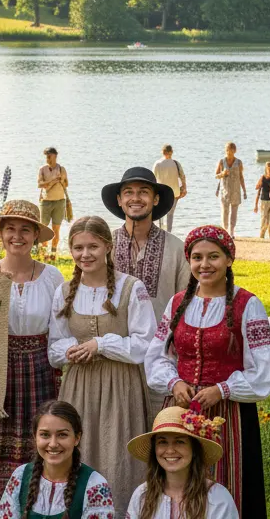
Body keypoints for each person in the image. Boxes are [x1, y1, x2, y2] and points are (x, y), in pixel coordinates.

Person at [145, 226, 270, 518]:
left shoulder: (247, 304)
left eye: (213, 256)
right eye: (197, 257)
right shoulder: (178, 302)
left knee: (228, 480)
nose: (204, 265)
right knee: (176, 477)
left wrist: (223, 389)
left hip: (229, 415)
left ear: (229, 259)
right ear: (189, 261)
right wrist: (174, 381)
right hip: (179, 407)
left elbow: (263, 370)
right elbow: (157, 355)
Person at [48, 215, 156, 513]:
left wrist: (102, 344)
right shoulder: (64, 291)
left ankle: (121, 511)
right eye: (78, 248)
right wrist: (70, 349)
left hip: (120, 385)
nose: (85, 254)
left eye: (93, 246)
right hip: (79, 386)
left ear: (108, 246)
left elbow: (145, 344)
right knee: (79, 452)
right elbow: (54, 346)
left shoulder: (132, 288)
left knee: (117, 453)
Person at [0, 200, 64, 518]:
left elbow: (60, 329)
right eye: (10, 228)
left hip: (40, 372)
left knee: (40, 450)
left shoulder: (51, 277)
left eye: (25, 229)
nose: (17, 236)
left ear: (36, 235)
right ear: (1, 234)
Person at [103, 167, 191, 418]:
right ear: (119, 200)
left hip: (162, 356)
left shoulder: (176, 248)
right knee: (119, 425)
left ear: (155, 199)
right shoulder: (104, 245)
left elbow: (186, 304)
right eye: (128, 192)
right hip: (115, 356)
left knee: (160, 426)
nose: (135, 198)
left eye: (143, 192)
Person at [0, 400, 116, 519]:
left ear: (77, 438)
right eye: (45, 434)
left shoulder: (95, 485)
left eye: (62, 435)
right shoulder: (20, 476)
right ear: (35, 437)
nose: (53, 444)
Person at [125, 406, 237, 519]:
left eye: (179, 441)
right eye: (162, 442)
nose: (170, 450)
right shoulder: (142, 495)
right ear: (154, 449)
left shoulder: (218, 498)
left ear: (194, 449)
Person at [38, 147, 69, 254]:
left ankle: (53, 253)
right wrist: (52, 180)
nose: (47, 159)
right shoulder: (42, 169)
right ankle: (43, 252)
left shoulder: (62, 169)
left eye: (49, 156)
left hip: (59, 202)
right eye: (46, 157)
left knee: (56, 229)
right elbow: (40, 184)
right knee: (43, 229)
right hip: (45, 202)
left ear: (55, 156)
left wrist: (62, 179)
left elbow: (66, 184)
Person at [152, 145, 187, 234]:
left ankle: (160, 231)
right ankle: (169, 233)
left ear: (162, 152)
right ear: (171, 152)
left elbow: (153, 179)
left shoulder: (157, 164)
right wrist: (184, 188)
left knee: (160, 213)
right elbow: (182, 176)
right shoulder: (176, 163)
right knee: (170, 214)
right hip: (174, 193)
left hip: (161, 192)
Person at [215, 142, 246, 238]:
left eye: (232, 150)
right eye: (228, 150)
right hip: (225, 190)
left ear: (235, 151)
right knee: (225, 211)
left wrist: (244, 190)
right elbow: (216, 176)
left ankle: (232, 231)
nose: (229, 152)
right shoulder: (221, 161)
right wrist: (223, 174)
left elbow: (241, 177)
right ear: (226, 150)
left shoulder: (239, 162)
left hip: (236, 190)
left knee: (234, 212)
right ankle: (225, 230)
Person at [253, 162, 270, 240]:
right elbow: (257, 190)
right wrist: (256, 205)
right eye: (269, 167)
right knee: (265, 221)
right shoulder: (263, 177)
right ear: (266, 169)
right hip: (264, 201)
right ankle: (262, 237)